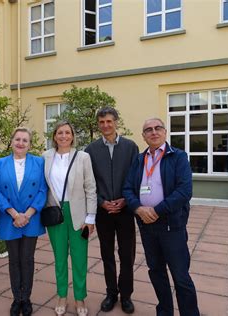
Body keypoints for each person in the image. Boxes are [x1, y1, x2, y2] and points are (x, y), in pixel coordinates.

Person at [123, 118, 200, 316]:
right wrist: (139, 209)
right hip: (147, 226)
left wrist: (157, 211)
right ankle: (164, 311)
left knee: (180, 276)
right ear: (143, 136)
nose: (153, 132)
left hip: (171, 225)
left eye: (158, 128)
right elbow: (128, 189)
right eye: (148, 130)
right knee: (156, 272)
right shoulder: (139, 160)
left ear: (165, 132)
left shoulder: (178, 157)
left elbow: (184, 191)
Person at [85, 107, 139, 314]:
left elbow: (137, 177)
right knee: (106, 253)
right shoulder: (90, 150)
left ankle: (126, 295)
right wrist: (101, 202)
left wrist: (126, 200)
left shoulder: (130, 147)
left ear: (116, 122)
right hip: (103, 211)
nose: (105, 125)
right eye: (101, 122)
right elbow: (88, 183)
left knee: (127, 255)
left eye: (109, 121)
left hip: (126, 210)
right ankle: (111, 293)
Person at [42, 121, 97, 316]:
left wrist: (90, 218)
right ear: (54, 136)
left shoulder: (83, 157)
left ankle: (80, 297)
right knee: (59, 258)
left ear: (73, 136)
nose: (63, 136)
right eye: (59, 133)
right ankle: (62, 295)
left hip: (78, 214)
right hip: (55, 213)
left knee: (80, 258)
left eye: (67, 133)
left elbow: (90, 187)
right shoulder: (46, 156)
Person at [0, 127, 47, 316]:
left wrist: (28, 214)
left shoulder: (39, 162)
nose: (21, 143)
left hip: (31, 218)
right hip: (10, 218)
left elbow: (42, 190)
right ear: (11, 141)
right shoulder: (0, 163)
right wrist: (15, 214)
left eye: (25, 140)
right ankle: (17, 299)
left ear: (30, 144)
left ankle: (27, 299)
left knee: (27, 260)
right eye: (17, 139)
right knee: (14, 261)